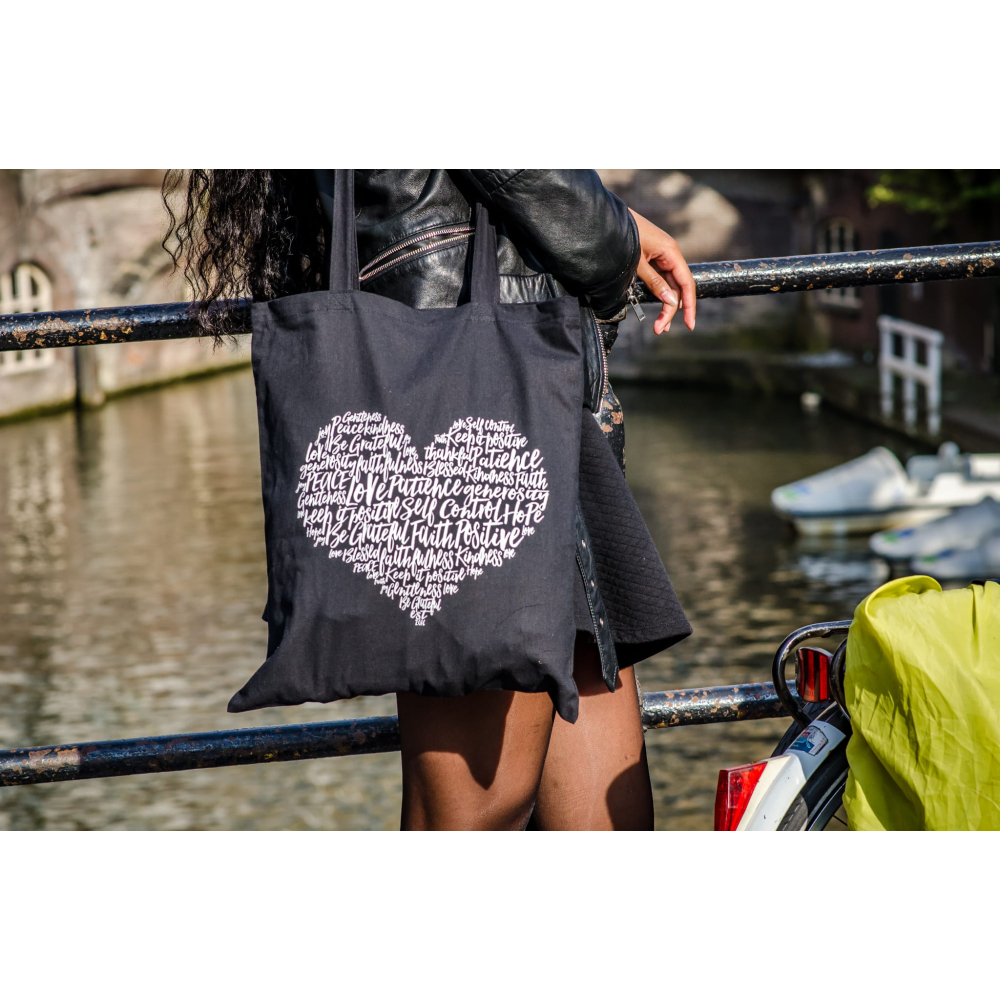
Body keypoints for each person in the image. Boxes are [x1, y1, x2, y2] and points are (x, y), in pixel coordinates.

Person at [163, 169, 696, 831]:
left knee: (578, 798)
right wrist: (614, 234)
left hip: (498, 380)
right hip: (484, 383)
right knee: (475, 809)